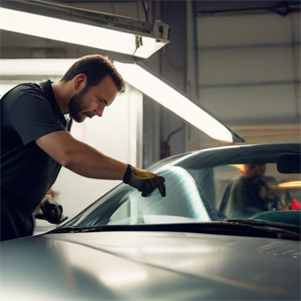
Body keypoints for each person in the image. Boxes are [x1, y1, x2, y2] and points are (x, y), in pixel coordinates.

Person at [0, 54, 166, 241]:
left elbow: (37, 169)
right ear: (80, 81)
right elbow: (68, 154)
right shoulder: (27, 98)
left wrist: (46, 198)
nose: (100, 112)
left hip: (17, 222)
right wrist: (130, 173)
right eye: (100, 100)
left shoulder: (61, 120)